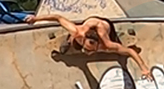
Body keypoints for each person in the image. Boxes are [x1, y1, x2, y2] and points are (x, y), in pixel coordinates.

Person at [25, 13, 154, 80]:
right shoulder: (77, 31)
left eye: (90, 51)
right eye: (86, 49)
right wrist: (36, 19)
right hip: (87, 26)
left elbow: (130, 51)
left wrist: (144, 68)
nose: (86, 52)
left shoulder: (107, 43)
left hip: (106, 26)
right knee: (73, 39)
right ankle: (69, 41)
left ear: (98, 44)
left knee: (116, 48)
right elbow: (58, 18)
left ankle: (115, 38)